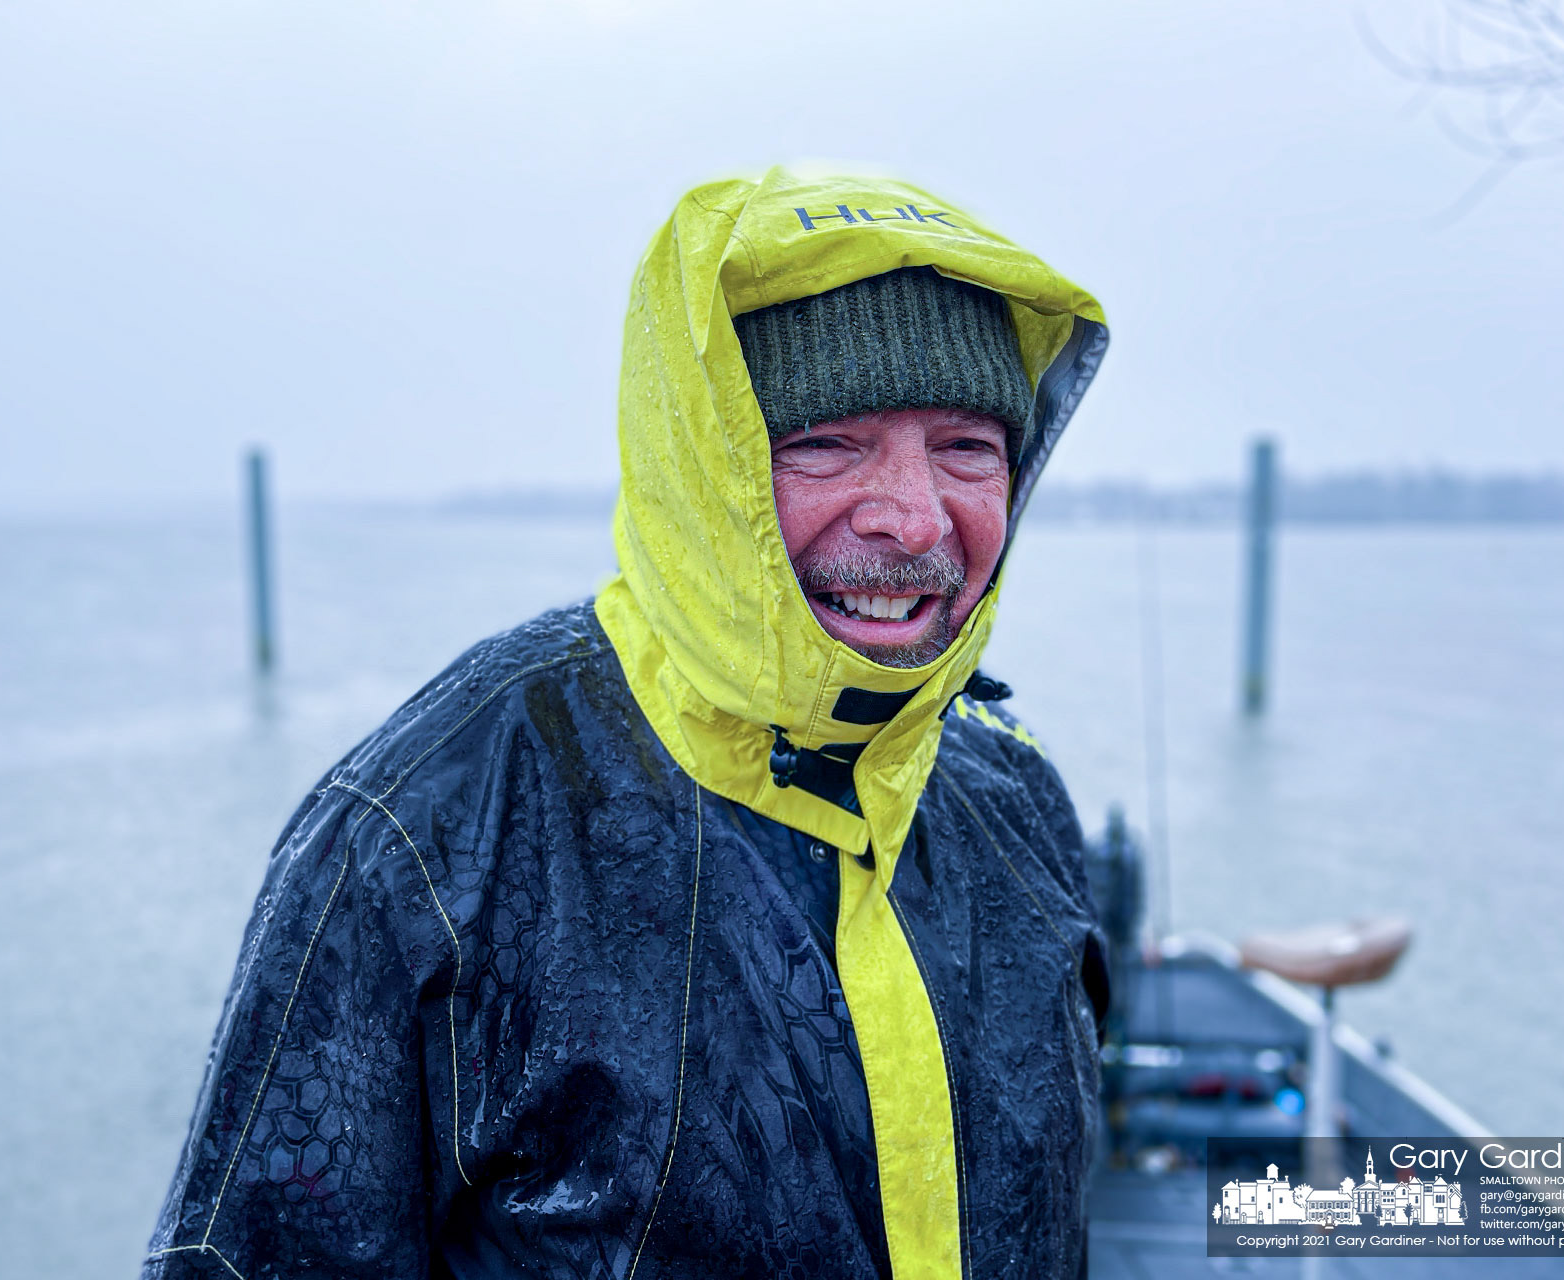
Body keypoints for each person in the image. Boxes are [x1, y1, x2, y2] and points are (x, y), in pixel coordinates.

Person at [142, 166, 1112, 1280]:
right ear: (706, 468)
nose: (911, 515)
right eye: (825, 444)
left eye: (966, 447)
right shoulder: (429, 833)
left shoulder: (1015, 797)